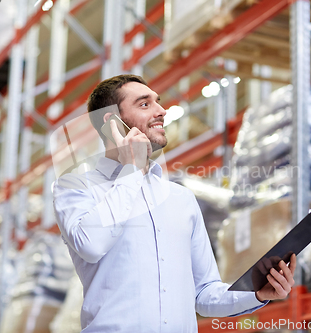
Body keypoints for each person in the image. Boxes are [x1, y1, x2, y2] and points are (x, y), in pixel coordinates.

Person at [53, 74, 296, 333]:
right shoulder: (76, 187)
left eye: (158, 102)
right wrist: (131, 170)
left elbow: (204, 293)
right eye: (145, 104)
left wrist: (257, 293)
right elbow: (91, 245)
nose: (161, 110)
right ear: (112, 122)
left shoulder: (181, 198)